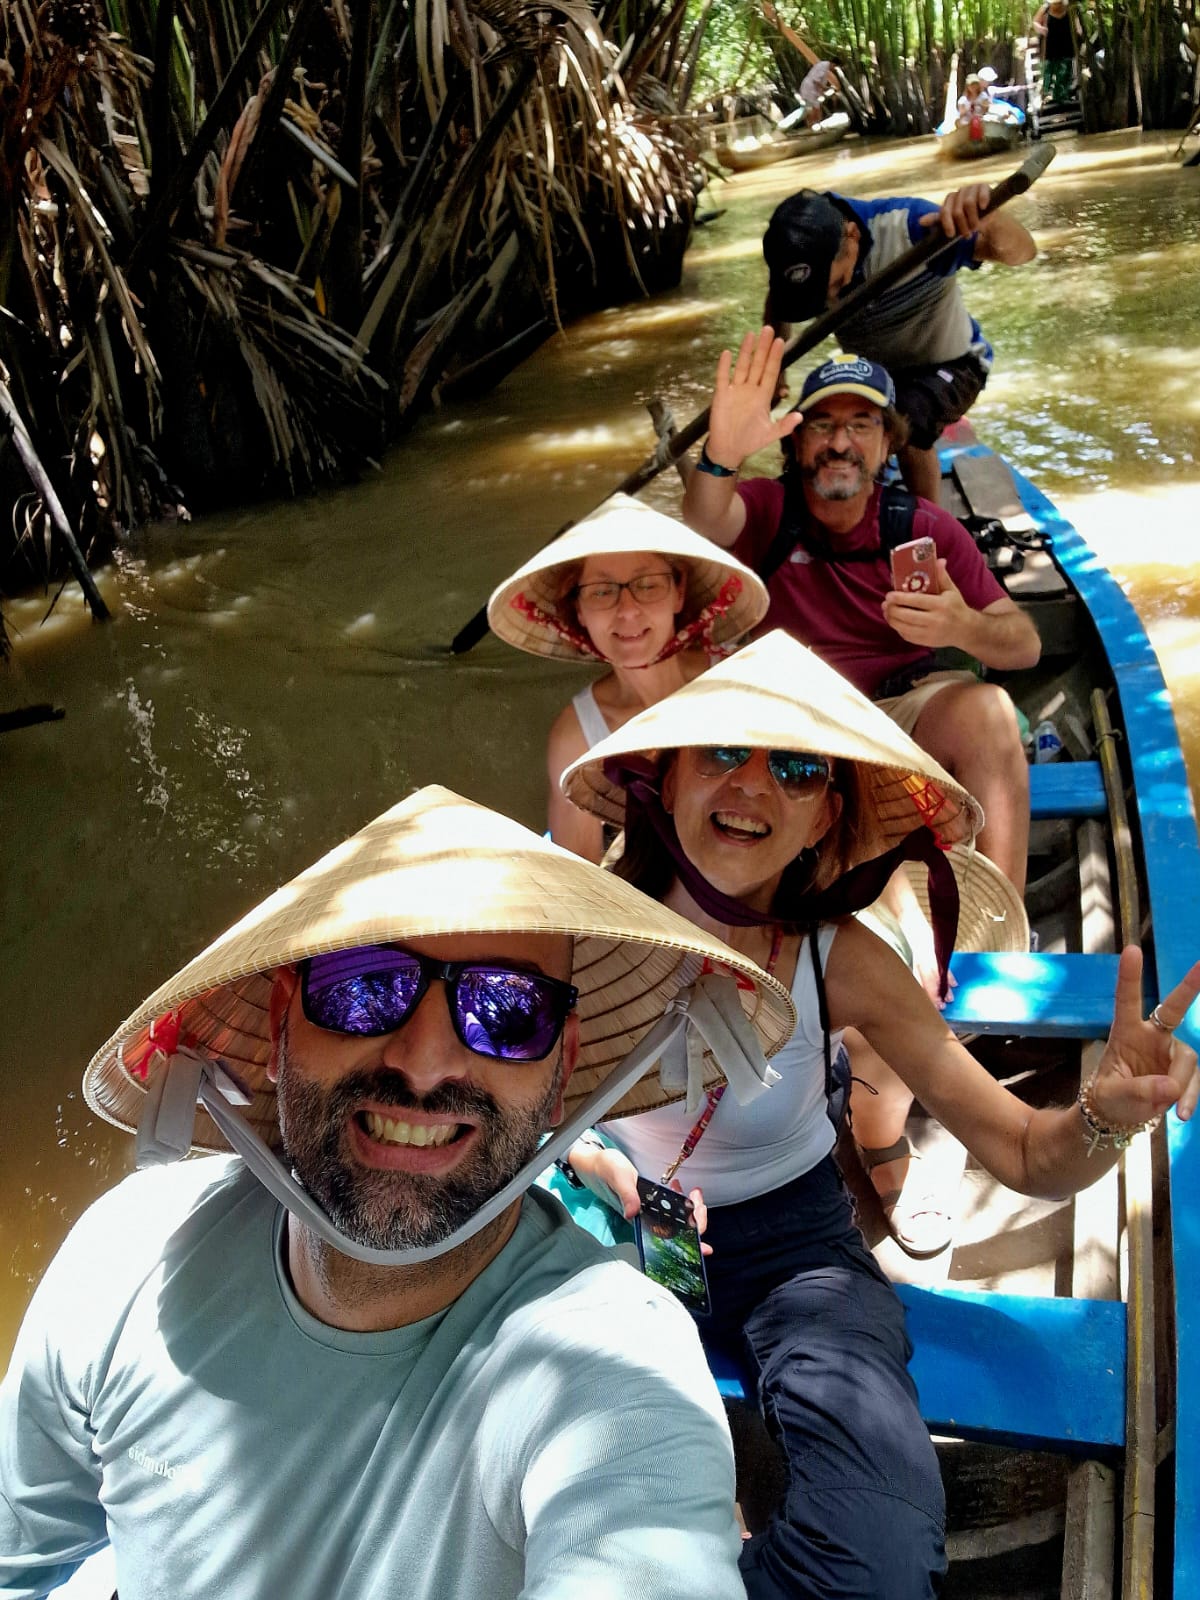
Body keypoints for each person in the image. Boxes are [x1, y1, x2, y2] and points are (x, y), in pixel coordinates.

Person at [0, 785, 798, 1600]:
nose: (423, 1064)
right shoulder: (128, 1257)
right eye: (362, 986)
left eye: (507, 1009)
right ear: (280, 1025)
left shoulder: (612, 1365)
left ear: (560, 1078)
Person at [557, 631, 1200, 1600]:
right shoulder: (577, 934)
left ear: (825, 815)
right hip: (610, 1232)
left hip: (795, 1251)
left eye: (799, 765)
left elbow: (1026, 1150)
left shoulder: (840, 957)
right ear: (667, 773)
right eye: (724, 748)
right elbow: (509, 1125)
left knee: (882, 1563)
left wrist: (1105, 1115)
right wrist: (606, 1171)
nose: (753, 784)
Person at [682, 339, 1041, 897]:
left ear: (886, 444)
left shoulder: (923, 528)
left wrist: (960, 627)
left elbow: (1024, 647)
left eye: (861, 425)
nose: (840, 443)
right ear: (796, 441)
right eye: (822, 425)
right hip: (794, 723)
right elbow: (705, 521)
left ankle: (994, 925)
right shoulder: (767, 511)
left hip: (902, 716)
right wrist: (721, 454)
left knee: (988, 711)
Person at [487, 492, 767, 861]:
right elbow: (582, 882)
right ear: (579, 612)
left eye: (647, 585)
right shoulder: (579, 737)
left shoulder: (742, 677)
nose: (627, 612)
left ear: (679, 593)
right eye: (602, 592)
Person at [759, 181, 1037, 500]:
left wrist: (991, 219)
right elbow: (778, 306)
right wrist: (774, 368)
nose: (830, 298)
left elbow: (1023, 253)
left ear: (853, 235)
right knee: (797, 433)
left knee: (903, 426)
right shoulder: (794, 259)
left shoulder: (913, 229)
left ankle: (927, 530)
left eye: (835, 283)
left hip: (953, 363)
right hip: (875, 379)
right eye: (815, 296)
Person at [1033, 0, 1079, 105]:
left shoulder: (1070, 9)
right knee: (1048, 72)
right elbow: (1035, 22)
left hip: (1066, 46)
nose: (1056, 6)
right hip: (1049, 47)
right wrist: (1040, 29)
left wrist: (1079, 32)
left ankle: (1061, 96)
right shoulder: (1045, 8)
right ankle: (1046, 96)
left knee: (1064, 72)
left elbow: (1077, 26)